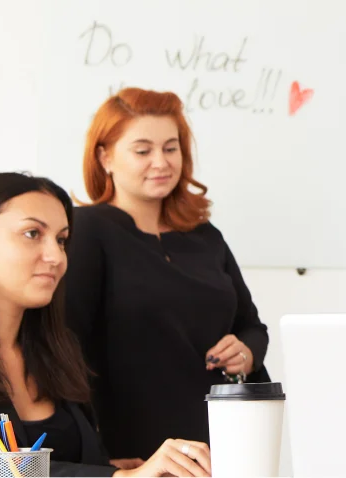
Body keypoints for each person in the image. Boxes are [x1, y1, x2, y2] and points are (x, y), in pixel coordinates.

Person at [0, 172, 212, 477]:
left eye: (61, 240)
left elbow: (69, 463)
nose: (56, 257)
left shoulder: (56, 350)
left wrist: (120, 470)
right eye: (33, 233)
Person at [62, 88, 269, 466]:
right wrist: (96, 456)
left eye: (171, 148)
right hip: (134, 451)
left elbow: (252, 327)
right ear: (104, 157)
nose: (161, 162)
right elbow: (66, 346)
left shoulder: (205, 235)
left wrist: (247, 351)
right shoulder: (87, 230)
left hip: (221, 444)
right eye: (143, 151)